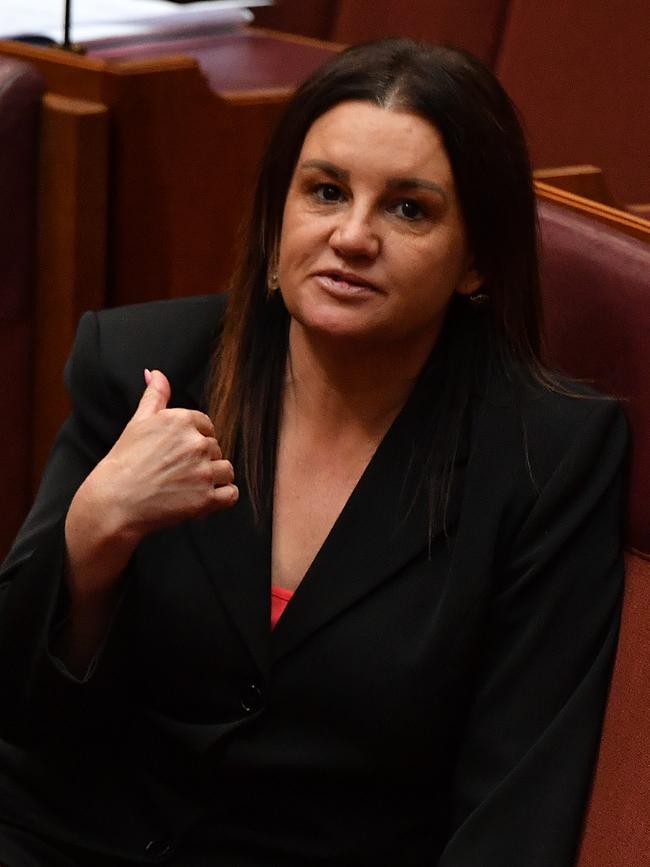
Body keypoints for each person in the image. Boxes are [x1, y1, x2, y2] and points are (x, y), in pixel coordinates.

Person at [0, 38, 627, 867]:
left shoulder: (546, 455)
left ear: (476, 259)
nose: (353, 236)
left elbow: (517, 802)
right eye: (325, 192)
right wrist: (91, 536)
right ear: (276, 217)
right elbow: (18, 704)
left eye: (409, 208)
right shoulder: (145, 365)